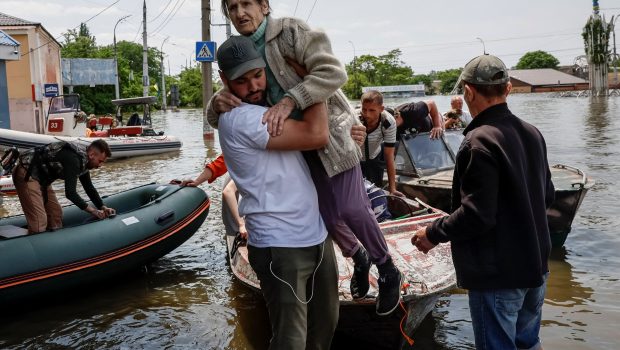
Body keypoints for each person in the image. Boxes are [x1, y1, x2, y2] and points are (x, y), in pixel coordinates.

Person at [207, 0, 403, 316]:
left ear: (265, 6)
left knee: (352, 207)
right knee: (326, 213)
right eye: (232, 7)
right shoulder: (240, 50)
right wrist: (215, 103)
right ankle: (358, 256)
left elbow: (334, 72)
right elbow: (225, 109)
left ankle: (388, 267)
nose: (240, 13)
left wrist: (290, 99)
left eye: (247, 4)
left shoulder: (291, 31)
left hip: (335, 138)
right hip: (301, 146)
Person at [411, 55, 555, 350]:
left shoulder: (479, 141)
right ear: (509, 88)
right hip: (535, 267)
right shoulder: (532, 132)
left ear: (469, 92)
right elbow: (547, 196)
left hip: (498, 275)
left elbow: (477, 215)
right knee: (529, 344)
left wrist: (432, 233)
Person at [216, 35, 338, 349]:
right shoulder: (240, 118)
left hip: (316, 233)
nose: (254, 86)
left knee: (324, 328)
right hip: (279, 244)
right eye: (241, 82)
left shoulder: (270, 104)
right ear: (224, 81)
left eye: (258, 74)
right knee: (290, 341)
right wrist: (310, 80)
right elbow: (317, 133)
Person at [13, 139, 116, 234]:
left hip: (42, 179)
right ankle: (36, 242)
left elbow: (89, 188)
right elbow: (70, 193)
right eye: (100, 161)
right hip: (27, 173)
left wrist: (103, 207)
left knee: (56, 214)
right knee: (39, 222)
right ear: (92, 154)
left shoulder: (84, 161)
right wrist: (94, 211)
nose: (100, 165)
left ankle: (55, 243)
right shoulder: (74, 160)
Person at [359, 90, 402, 196]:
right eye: (364, 109)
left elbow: (389, 156)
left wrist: (392, 188)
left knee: (376, 192)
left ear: (381, 109)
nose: (367, 114)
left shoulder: (388, 122)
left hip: (375, 158)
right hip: (356, 160)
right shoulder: (354, 118)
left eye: (372, 110)